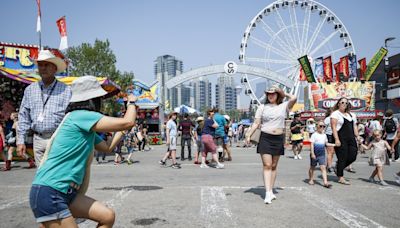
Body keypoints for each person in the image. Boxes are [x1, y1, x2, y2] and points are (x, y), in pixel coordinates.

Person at [29, 76, 138, 227]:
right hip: (51, 192)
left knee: (107, 216)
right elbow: (128, 122)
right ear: (93, 99)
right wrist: (132, 103)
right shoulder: (81, 116)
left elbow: (108, 147)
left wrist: (124, 129)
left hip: (66, 193)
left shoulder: (82, 123)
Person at [17, 50, 72, 167]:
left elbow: (71, 117)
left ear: (55, 68)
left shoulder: (66, 90)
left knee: (56, 175)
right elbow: (23, 117)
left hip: (58, 139)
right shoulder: (30, 90)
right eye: (40, 65)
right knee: (41, 176)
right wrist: (20, 141)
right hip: (38, 140)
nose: (43, 68)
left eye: (47, 65)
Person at [246, 85, 296, 204]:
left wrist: (283, 93)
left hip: (278, 138)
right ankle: (268, 192)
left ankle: (271, 190)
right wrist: (248, 135)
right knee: (267, 165)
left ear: (278, 95)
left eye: (273, 93)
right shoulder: (262, 107)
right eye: (268, 94)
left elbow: (294, 98)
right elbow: (256, 123)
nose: (271, 95)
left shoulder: (284, 106)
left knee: (273, 165)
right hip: (265, 137)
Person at [331, 97, 362, 185]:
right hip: (340, 138)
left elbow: (354, 126)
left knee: (353, 156)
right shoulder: (335, 114)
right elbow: (333, 127)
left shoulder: (352, 115)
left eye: (346, 103)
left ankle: (338, 168)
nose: (344, 104)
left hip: (351, 138)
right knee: (342, 157)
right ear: (338, 104)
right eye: (342, 102)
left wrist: (358, 136)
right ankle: (340, 177)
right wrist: (336, 139)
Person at [308, 121, 332, 188]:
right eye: (320, 126)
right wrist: (312, 153)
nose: (322, 127)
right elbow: (312, 144)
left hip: (322, 154)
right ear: (317, 126)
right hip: (315, 153)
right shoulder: (314, 135)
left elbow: (326, 144)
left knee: (323, 167)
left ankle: (325, 182)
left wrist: (334, 144)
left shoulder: (324, 135)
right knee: (312, 167)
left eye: (323, 126)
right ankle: (311, 179)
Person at [324, 109, 335, 173]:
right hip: (328, 135)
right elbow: (324, 128)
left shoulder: (335, 118)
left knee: (332, 152)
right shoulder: (328, 119)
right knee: (329, 152)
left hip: (333, 135)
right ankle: (329, 167)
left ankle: (328, 166)